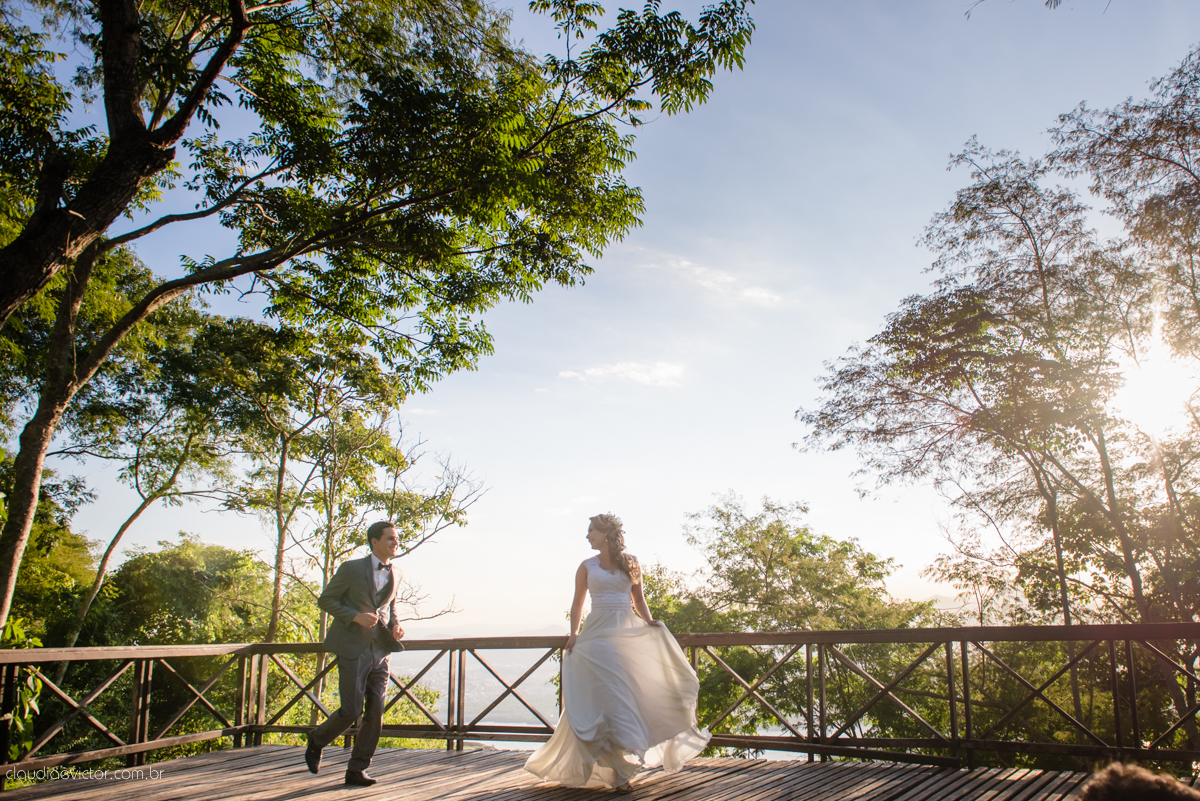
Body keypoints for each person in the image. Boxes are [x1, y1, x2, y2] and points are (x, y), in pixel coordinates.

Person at [525, 513, 709, 792]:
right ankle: (617, 774)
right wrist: (574, 634)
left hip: (625, 638)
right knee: (604, 703)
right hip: (596, 639)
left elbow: (638, 599)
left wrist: (649, 622)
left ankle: (621, 772)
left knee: (623, 701)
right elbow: (577, 603)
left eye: (591, 531)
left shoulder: (631, 562)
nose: (588, 536)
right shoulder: (586, 567)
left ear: (606, 533)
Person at [305, 521, 405, 787]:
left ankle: (357, 769)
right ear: (374, 542)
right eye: (391, 539)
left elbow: (390, 609)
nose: (396, 543)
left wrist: (396, 626)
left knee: (376, 712)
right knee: (351, 710)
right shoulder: (350, 569)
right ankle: (316, 740)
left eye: (397, 539)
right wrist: (355, 617)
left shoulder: (398, 573)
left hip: (381, 650)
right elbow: (325, 600)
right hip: (352, 647)